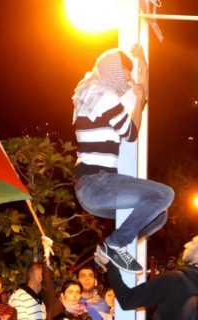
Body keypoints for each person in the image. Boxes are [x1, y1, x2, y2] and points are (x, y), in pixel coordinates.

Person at [73, 45, 174, 274]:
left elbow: (137, 96)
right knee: (164, 194)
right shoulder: (104, 96)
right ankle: (114, 245)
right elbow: (131, 133)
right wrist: (139, 98)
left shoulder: (89, 93)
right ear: (115, 73)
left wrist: (143, 67)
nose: (127, 84)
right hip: (98, 183)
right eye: (125, 78)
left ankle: (112, 250)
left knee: (158, 214)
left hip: (91, 189)